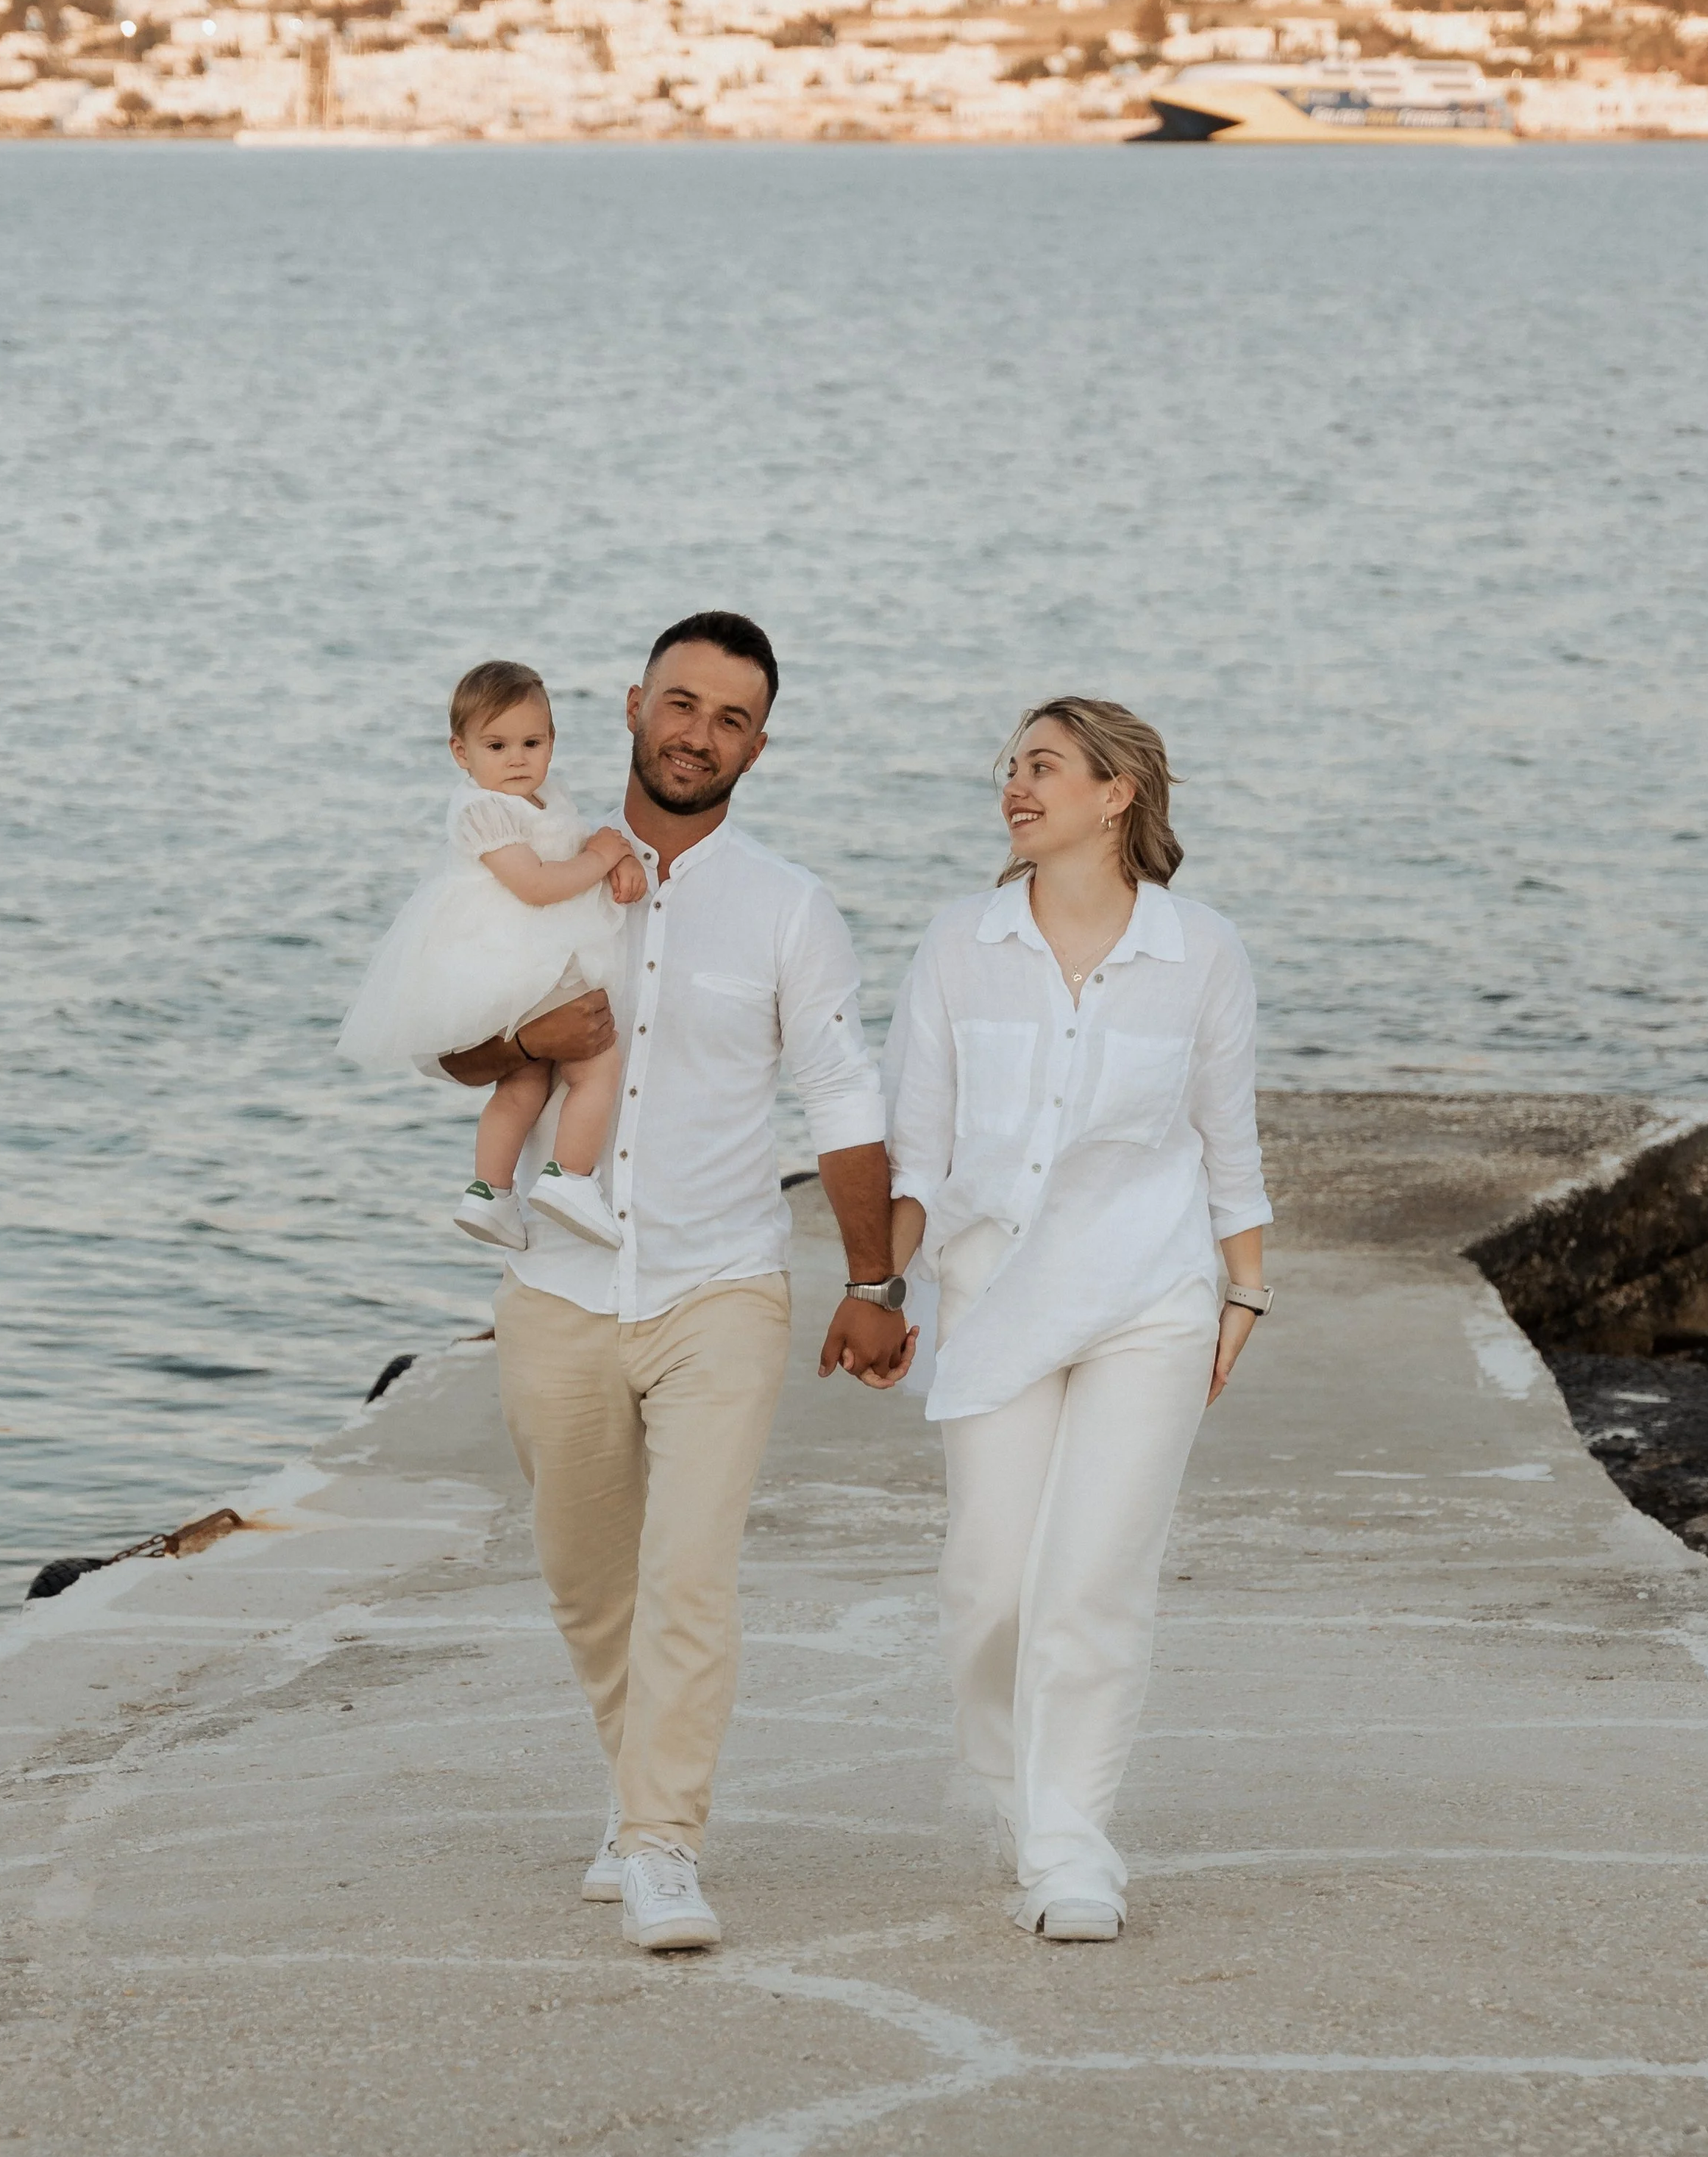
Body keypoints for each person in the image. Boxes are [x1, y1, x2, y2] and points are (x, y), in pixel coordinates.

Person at [438, 612, 913, 1954]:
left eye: (733, 717)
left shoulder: (788, 906)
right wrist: (530, 1034)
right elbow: (459, 1052)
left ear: (760, 744)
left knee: (691, 1572)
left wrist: (873, 1280)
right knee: (589, 1580)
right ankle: (631, 1788)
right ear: (635, 704)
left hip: (720, 1283)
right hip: (560, 1288)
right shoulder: (537, 866)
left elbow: (839, 1094)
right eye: (683, 702)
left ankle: (661, 1844)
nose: (700, 732)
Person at [882, 697, 1272, 1944]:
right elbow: (915, 1154)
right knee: (991, 1585)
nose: (1016, 786)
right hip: (993, 1299)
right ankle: (1009, 1791)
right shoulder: (959, 944)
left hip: (1149, 1297)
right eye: (1010, 768)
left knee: (1094, 1581)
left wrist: (1244, 1286)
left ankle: (1071, 1845)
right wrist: (880, 1289)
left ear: (1118, 794)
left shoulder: (1200, 951)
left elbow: (1228, 1133)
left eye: (1043, 766)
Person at [338, 661, 646, 1251]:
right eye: (497, 745)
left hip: (523, 962)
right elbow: (536, 885)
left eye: (533, 743)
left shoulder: (542, 798)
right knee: (596, 1065)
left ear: (553, 742)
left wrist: (620, 858)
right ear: (461, 752)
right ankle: (571, 1179)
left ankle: (490, 1194)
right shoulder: (482, 810)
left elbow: (580, 840)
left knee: (524, 1083)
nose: (517, 759)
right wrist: (605, 860)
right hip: (514, 956)